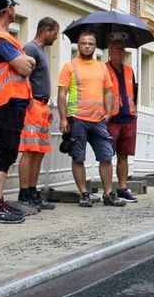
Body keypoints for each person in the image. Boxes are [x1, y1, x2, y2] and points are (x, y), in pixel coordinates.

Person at [0, 0, 35, 224]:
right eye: (13, 7)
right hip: (6, 101)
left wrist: (25, 61)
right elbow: (24, 68)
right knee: (6, 151)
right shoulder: (0, 39)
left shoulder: (3, 38)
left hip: (10, 101)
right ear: (7, 9)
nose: (15, 11)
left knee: (9, 150)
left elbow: (25, 63)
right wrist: (25, 61)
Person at [57, 30, 122, 207]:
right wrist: (63, 118)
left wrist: (108, 113)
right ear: (78, 45)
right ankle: (84, 194)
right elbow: (62, 94)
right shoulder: (70, 66)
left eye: (90, 43)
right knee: (78, 157)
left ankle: (108, 194)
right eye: (83, 43)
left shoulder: (102, 67)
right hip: (77, 119)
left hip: (98, 119)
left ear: (95, 47)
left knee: (106, 156)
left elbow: (108, 91)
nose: (87, 46)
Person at [17, 17, 59, 211]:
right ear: (46, 30)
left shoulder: (41, 51)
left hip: (42, 106)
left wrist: (47, 105)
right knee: (29, 150)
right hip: (32, 106)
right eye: (55, 33)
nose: (56, 38)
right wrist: (30, 100)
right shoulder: (31, 49)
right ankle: (24, 193)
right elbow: (22, 76)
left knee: (39, 151)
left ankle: (33, 192)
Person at [106, 39, 139, 204]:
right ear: (109, 52)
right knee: (107, 155)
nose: (118, 52)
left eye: (121, 50)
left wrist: (136, 111)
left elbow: (134, 92)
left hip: (128, 117)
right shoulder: (104, 70)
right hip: (112, 119)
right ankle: (109, 190)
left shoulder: (129, 71)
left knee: (124, 155)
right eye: (115, 49)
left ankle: (123, 188)